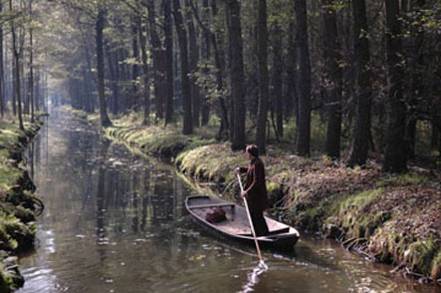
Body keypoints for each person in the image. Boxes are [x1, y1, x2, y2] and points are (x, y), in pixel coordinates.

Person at [235, 144, 269, 236]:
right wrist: (241, 169)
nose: (246, 154)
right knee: (254, 215)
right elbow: (250, 170)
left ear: (251, 153)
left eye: (247, 152)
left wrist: (247, 191)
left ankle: (262, 235)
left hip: (257, 196)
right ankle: (257, 233)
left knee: (257, 216)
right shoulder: (253, 162)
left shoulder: (258, 164)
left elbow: (256, 181)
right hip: (253, 196)